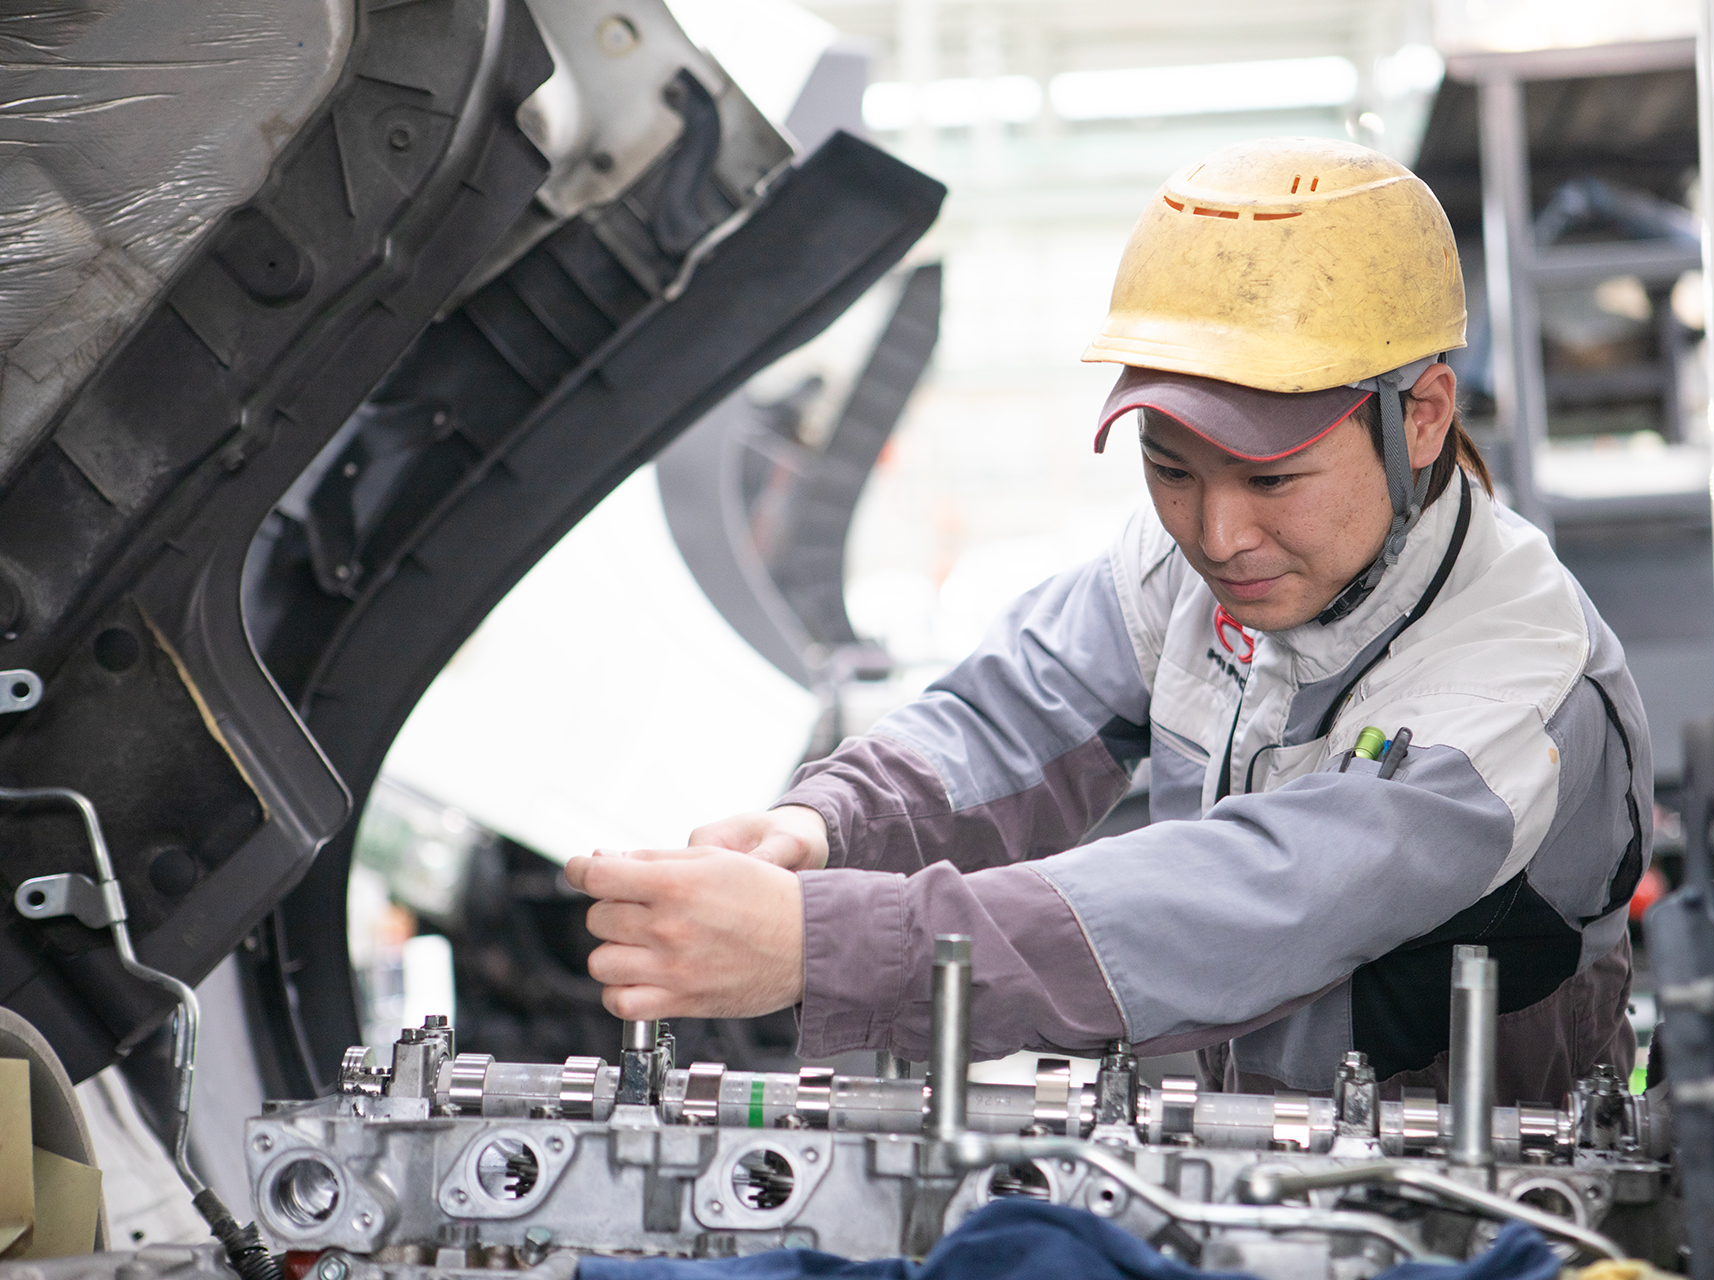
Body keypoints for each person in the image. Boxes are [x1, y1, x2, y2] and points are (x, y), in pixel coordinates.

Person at [566, 138, 1649, 1104]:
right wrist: (820, 828)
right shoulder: (1187, 564)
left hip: (1488, 1196)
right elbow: (1010, 719)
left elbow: (1234, 906)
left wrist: (824, 942)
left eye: (1273, 480)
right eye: (1170, 468)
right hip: (1252, 1162)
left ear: (1419, 417)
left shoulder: (1512, 688)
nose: (1218, 535)